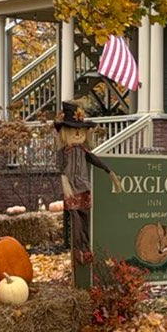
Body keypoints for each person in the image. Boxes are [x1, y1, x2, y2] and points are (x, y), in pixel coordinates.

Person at [54, 101, 122, 260]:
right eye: (73, 130)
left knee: (85, 218)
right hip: (71, 189)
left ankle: (86, 247)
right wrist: (65, 184)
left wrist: (109, 172)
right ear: (65, 132)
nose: (78, 134)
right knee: (75, 220)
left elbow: (96, 160)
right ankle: (77, 249)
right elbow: (61, 169)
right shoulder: (64, 152)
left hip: (84, 186)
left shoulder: (84, 151)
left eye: (80, 130)